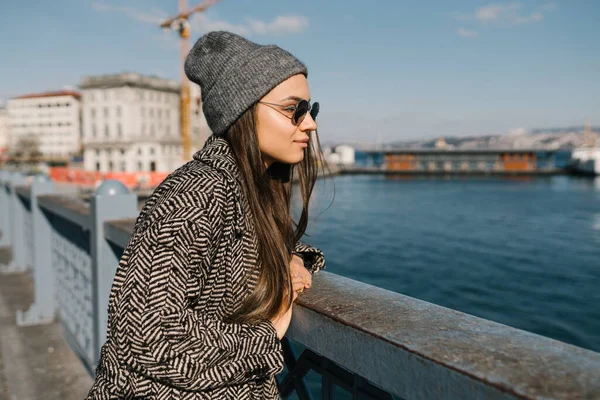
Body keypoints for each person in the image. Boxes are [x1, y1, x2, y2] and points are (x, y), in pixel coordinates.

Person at [85, 31, 327, 399]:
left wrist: (292, 257)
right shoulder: (196, 194)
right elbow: (148, 334)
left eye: (311, 110)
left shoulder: (247, 188)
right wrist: (265, 335)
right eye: (294, 110)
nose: (309, 124)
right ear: (242, 110)